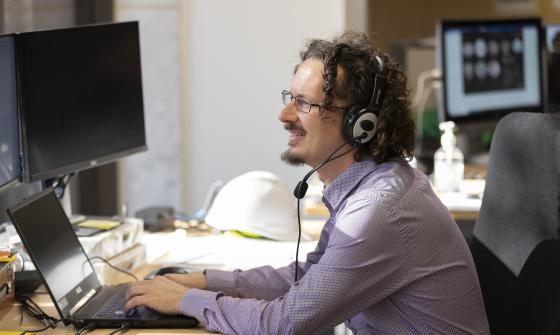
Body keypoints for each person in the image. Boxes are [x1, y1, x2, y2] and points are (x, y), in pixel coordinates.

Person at [125, 31, 490, 334]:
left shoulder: (378, 212)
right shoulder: (372, 185)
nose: (284, 115)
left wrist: (186, 302)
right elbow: (308, 278)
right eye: (290, 98)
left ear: (358, 124)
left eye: (303, 104)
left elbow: (286, 324)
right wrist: (203, 282)